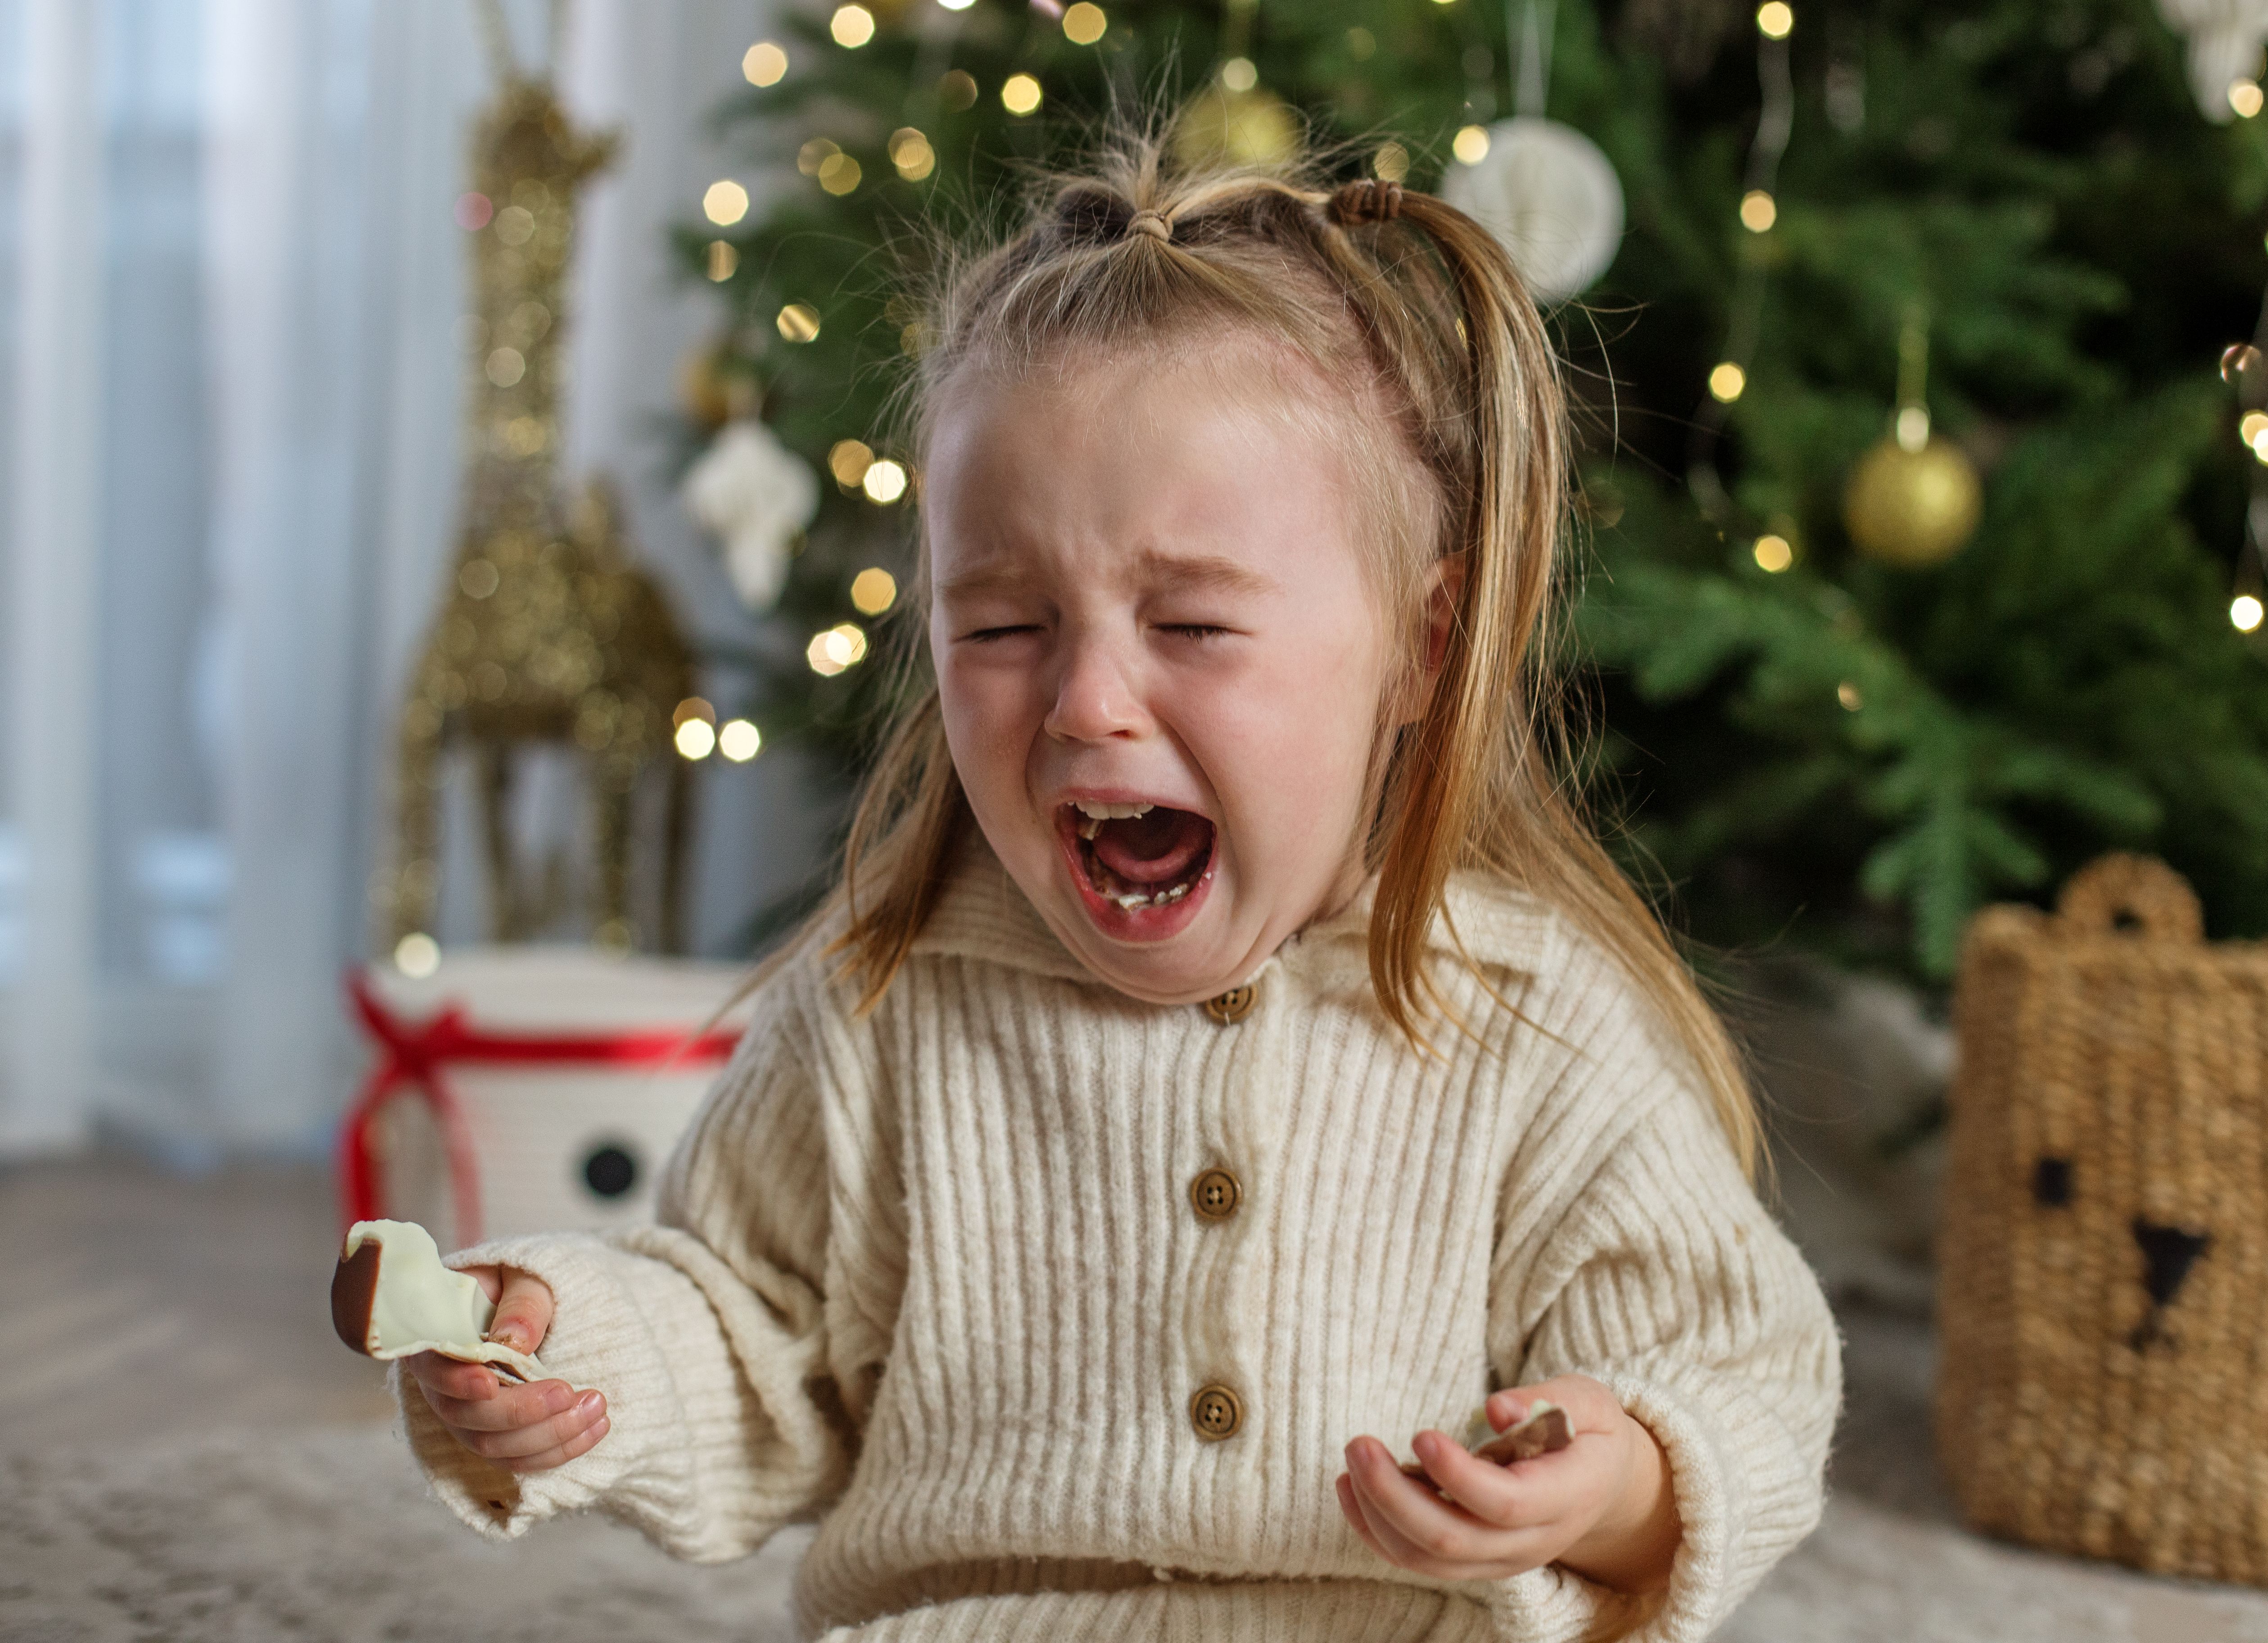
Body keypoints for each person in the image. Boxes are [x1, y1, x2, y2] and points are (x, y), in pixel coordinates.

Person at [398, 126, 1841, 1643]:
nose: (1087, 702)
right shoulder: (886, 1004)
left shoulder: (1532, 1027)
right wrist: (582, 1352)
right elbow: (744, 1330)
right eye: (1007, 627)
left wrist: (1613, 1491)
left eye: (1195, 628)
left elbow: (1734, 1369)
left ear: (1421, 649)